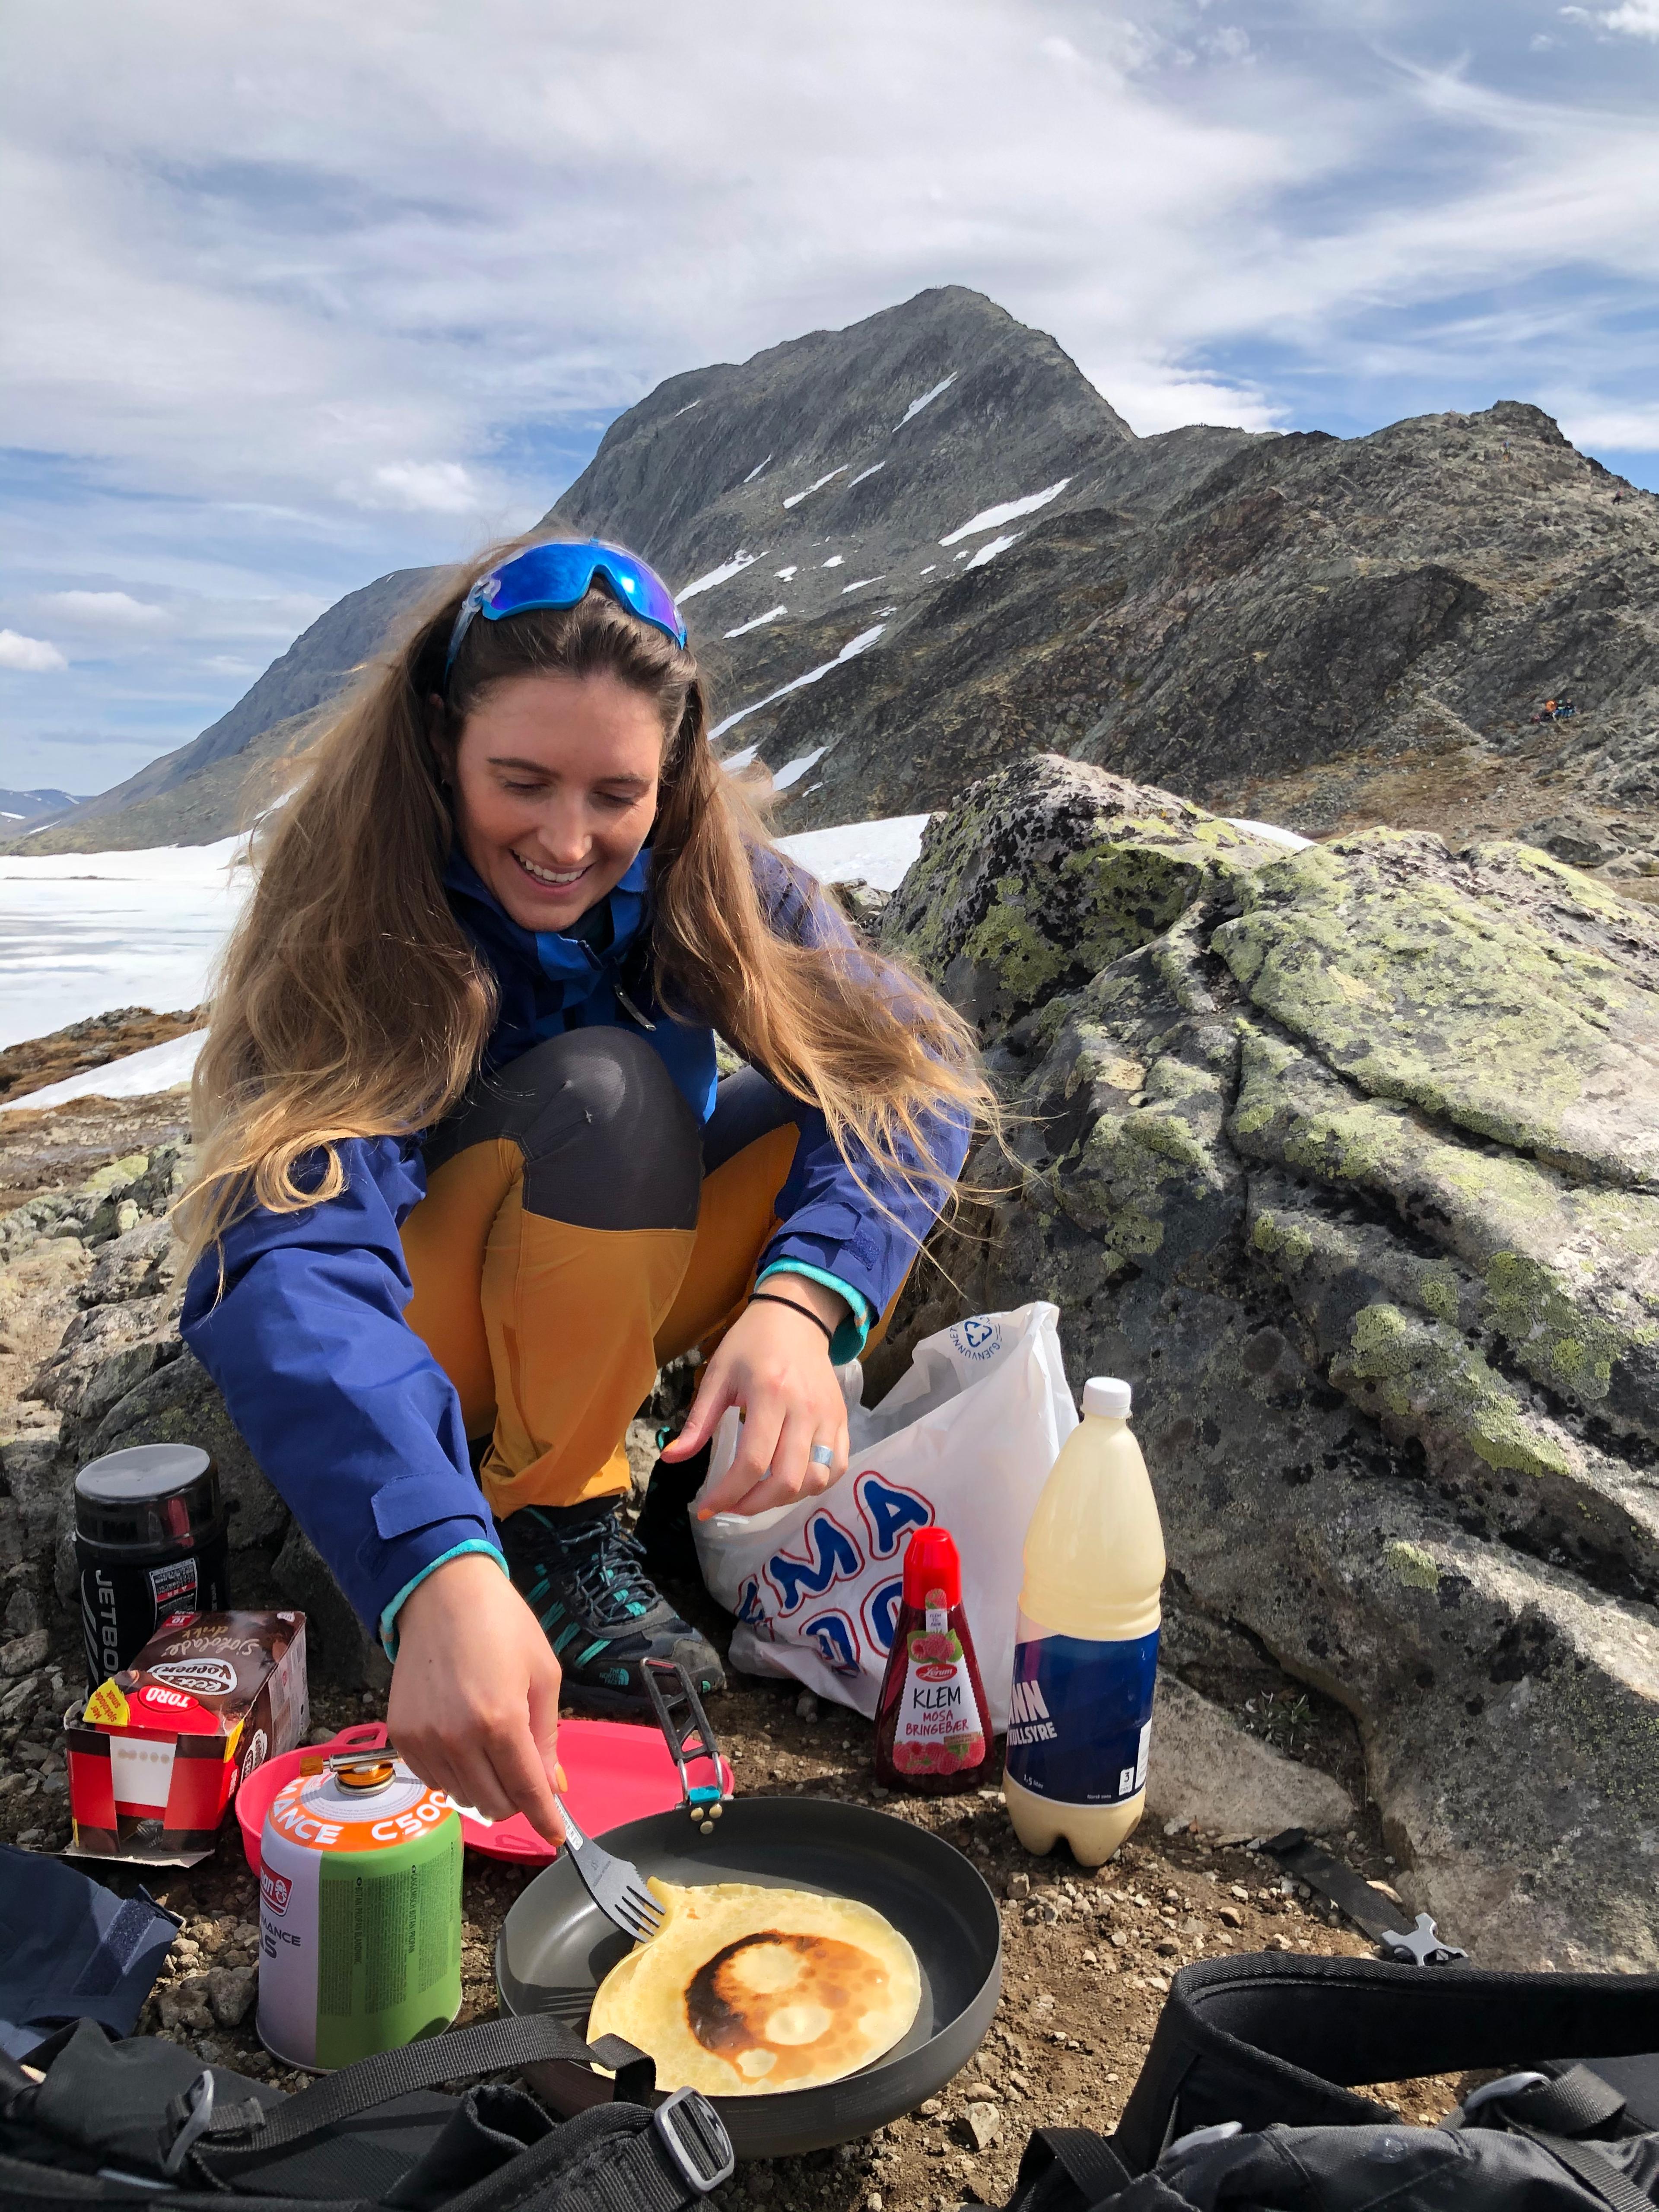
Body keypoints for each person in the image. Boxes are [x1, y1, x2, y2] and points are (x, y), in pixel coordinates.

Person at [177, 538, 991, 1840]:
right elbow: (292, 1264)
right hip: (420, 1337)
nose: (567, 842)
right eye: (521, 782)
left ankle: (596, 1456)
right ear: (444, 744)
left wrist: (799, 1303)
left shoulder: (704, 872)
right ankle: (540, 1525)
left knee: (833, 1088)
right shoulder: (366, 910)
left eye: (617, 794)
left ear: (669, 782)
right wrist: (431, 1569)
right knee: (611, 1097)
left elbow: (917, 1065)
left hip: (583, 1287)